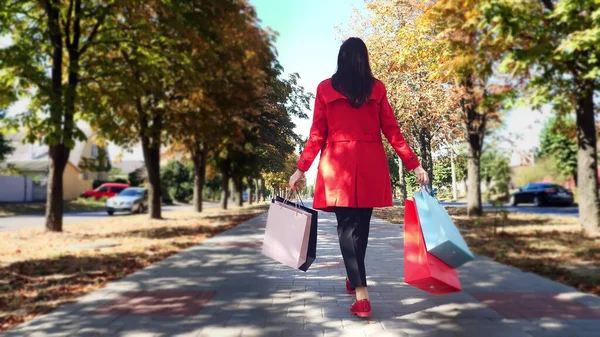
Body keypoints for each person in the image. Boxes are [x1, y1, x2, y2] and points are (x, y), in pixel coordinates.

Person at [288, 37, 429, 318]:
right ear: (364, 59)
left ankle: (362, 295)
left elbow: (317, 134)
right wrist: (414, 165)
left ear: (341, 59)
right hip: (369, 164)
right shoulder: (376, 89)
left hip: (336, 166)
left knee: (347, 229)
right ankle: (356, 282)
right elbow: (393, 132)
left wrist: (301, 168)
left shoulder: (326, 89)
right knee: (360, 229)